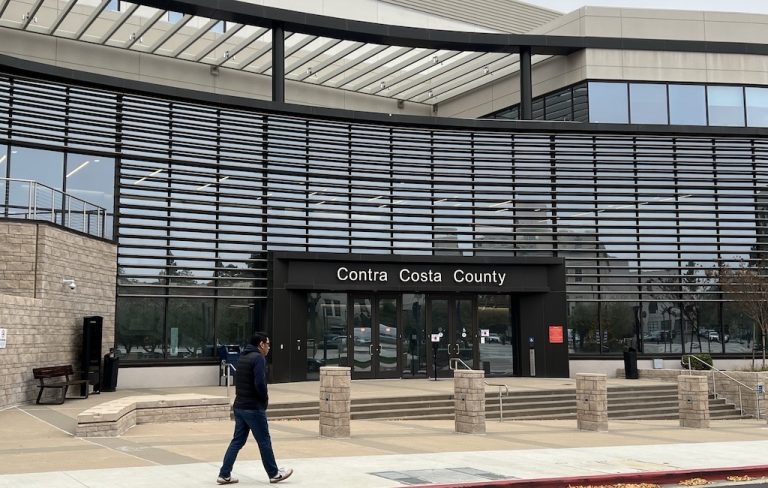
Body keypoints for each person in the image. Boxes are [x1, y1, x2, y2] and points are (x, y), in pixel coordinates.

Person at [217, 333, 293, 485]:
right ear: (261, 344)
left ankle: (224, 474)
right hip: (253, 407)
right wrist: (264, 400)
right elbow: (260, 383)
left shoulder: (243, 357)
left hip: (240, 406)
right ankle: (274, 473)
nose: (269, 347)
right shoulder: (258, 358)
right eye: (268, 344)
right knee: (264, 440)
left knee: (237, 441)